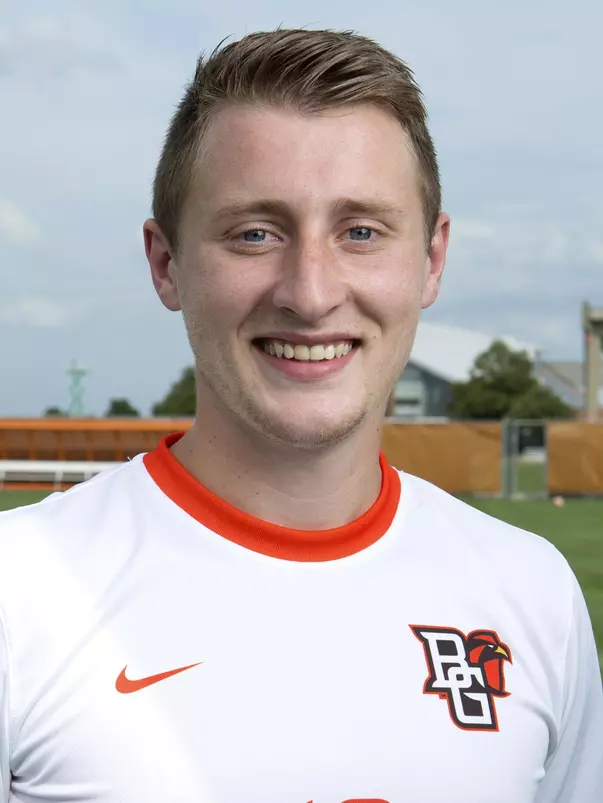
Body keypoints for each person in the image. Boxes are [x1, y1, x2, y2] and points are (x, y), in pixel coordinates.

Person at [0, 28, 601, 803]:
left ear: (431, 259)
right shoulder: (19, 589)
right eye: (254, 232)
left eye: (360, 231)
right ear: (166, 263)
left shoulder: (533, 596)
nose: (310, 293)